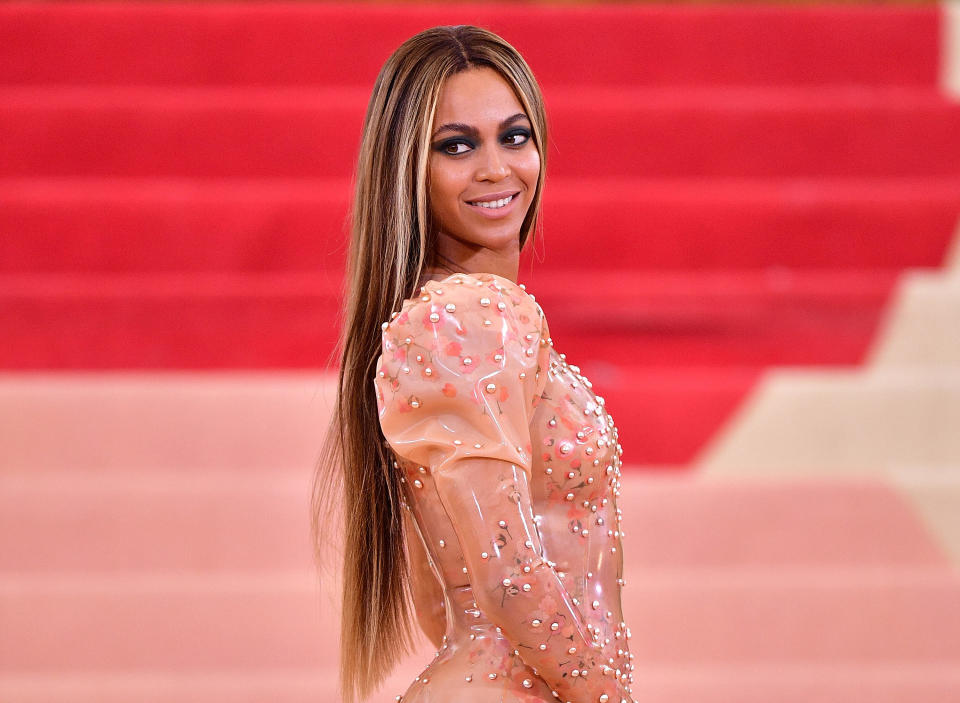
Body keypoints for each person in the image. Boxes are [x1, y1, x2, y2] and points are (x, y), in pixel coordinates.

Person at [312, 25, 633, 703]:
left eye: (514, 136)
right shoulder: (469, 315)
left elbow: (440, 598)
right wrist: (610, 697)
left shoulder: (436, 319)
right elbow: (510, 574)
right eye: (457, 146)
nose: (496, 168)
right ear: (408, 167)